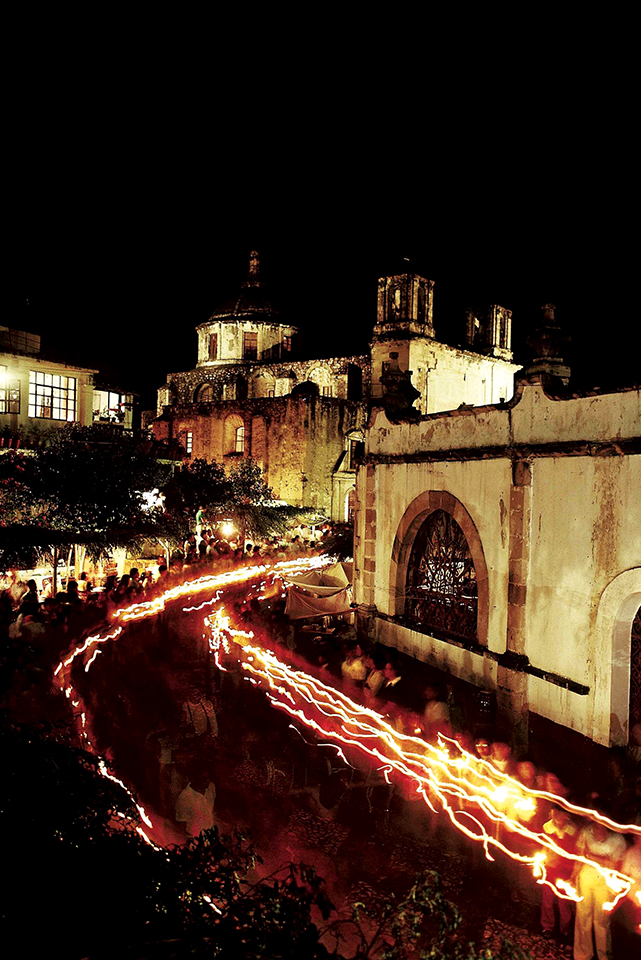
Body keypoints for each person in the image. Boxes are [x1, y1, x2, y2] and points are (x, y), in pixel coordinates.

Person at [572, 819, 627, 960]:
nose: (597, 826)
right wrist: (573, 876)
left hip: (605, 880)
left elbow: (612, 863)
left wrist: (590, 856)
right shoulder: (586, 832)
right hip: (586, 875)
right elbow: (579, 856)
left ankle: (604, 956)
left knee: (601, 920)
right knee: (583, 916)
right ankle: (583, 954)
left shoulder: (617, 839)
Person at [540, 807, 578, 943]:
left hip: (564, 869)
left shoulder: (572, 830)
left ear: (566, 815)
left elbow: (574, 851)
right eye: (553, 812)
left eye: (558, 813)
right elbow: (544, 845)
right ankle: (547, 927)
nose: (555, 815)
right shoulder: (547, 827)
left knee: (564, 902)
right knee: (548, 899)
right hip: (550, 867)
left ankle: (565, 929)